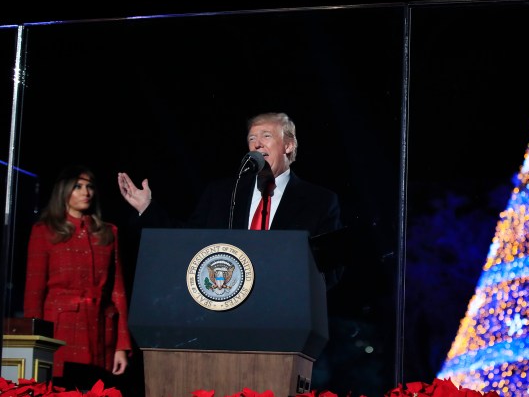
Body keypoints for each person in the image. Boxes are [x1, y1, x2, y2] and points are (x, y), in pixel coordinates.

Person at [117, 111, 344, 283]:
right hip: (224, 308)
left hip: (284, 313)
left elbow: (330, 270)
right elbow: (189, 240)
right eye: (252, 138)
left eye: (266, 136)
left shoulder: (319, 201)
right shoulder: (223, 194)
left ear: (288, 145)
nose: (257, 144)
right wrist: (147, 208)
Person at [23, 165, 132, 388]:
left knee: (95, 390)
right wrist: (32, 344)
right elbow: (34, 293)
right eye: (78, 186)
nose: (86, 192)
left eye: (90, 186)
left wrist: (121, 346)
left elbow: (118, 291)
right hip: (59, 330)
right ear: (63, 191)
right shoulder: (45, 231)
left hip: (101, 330)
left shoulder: (108, 232)